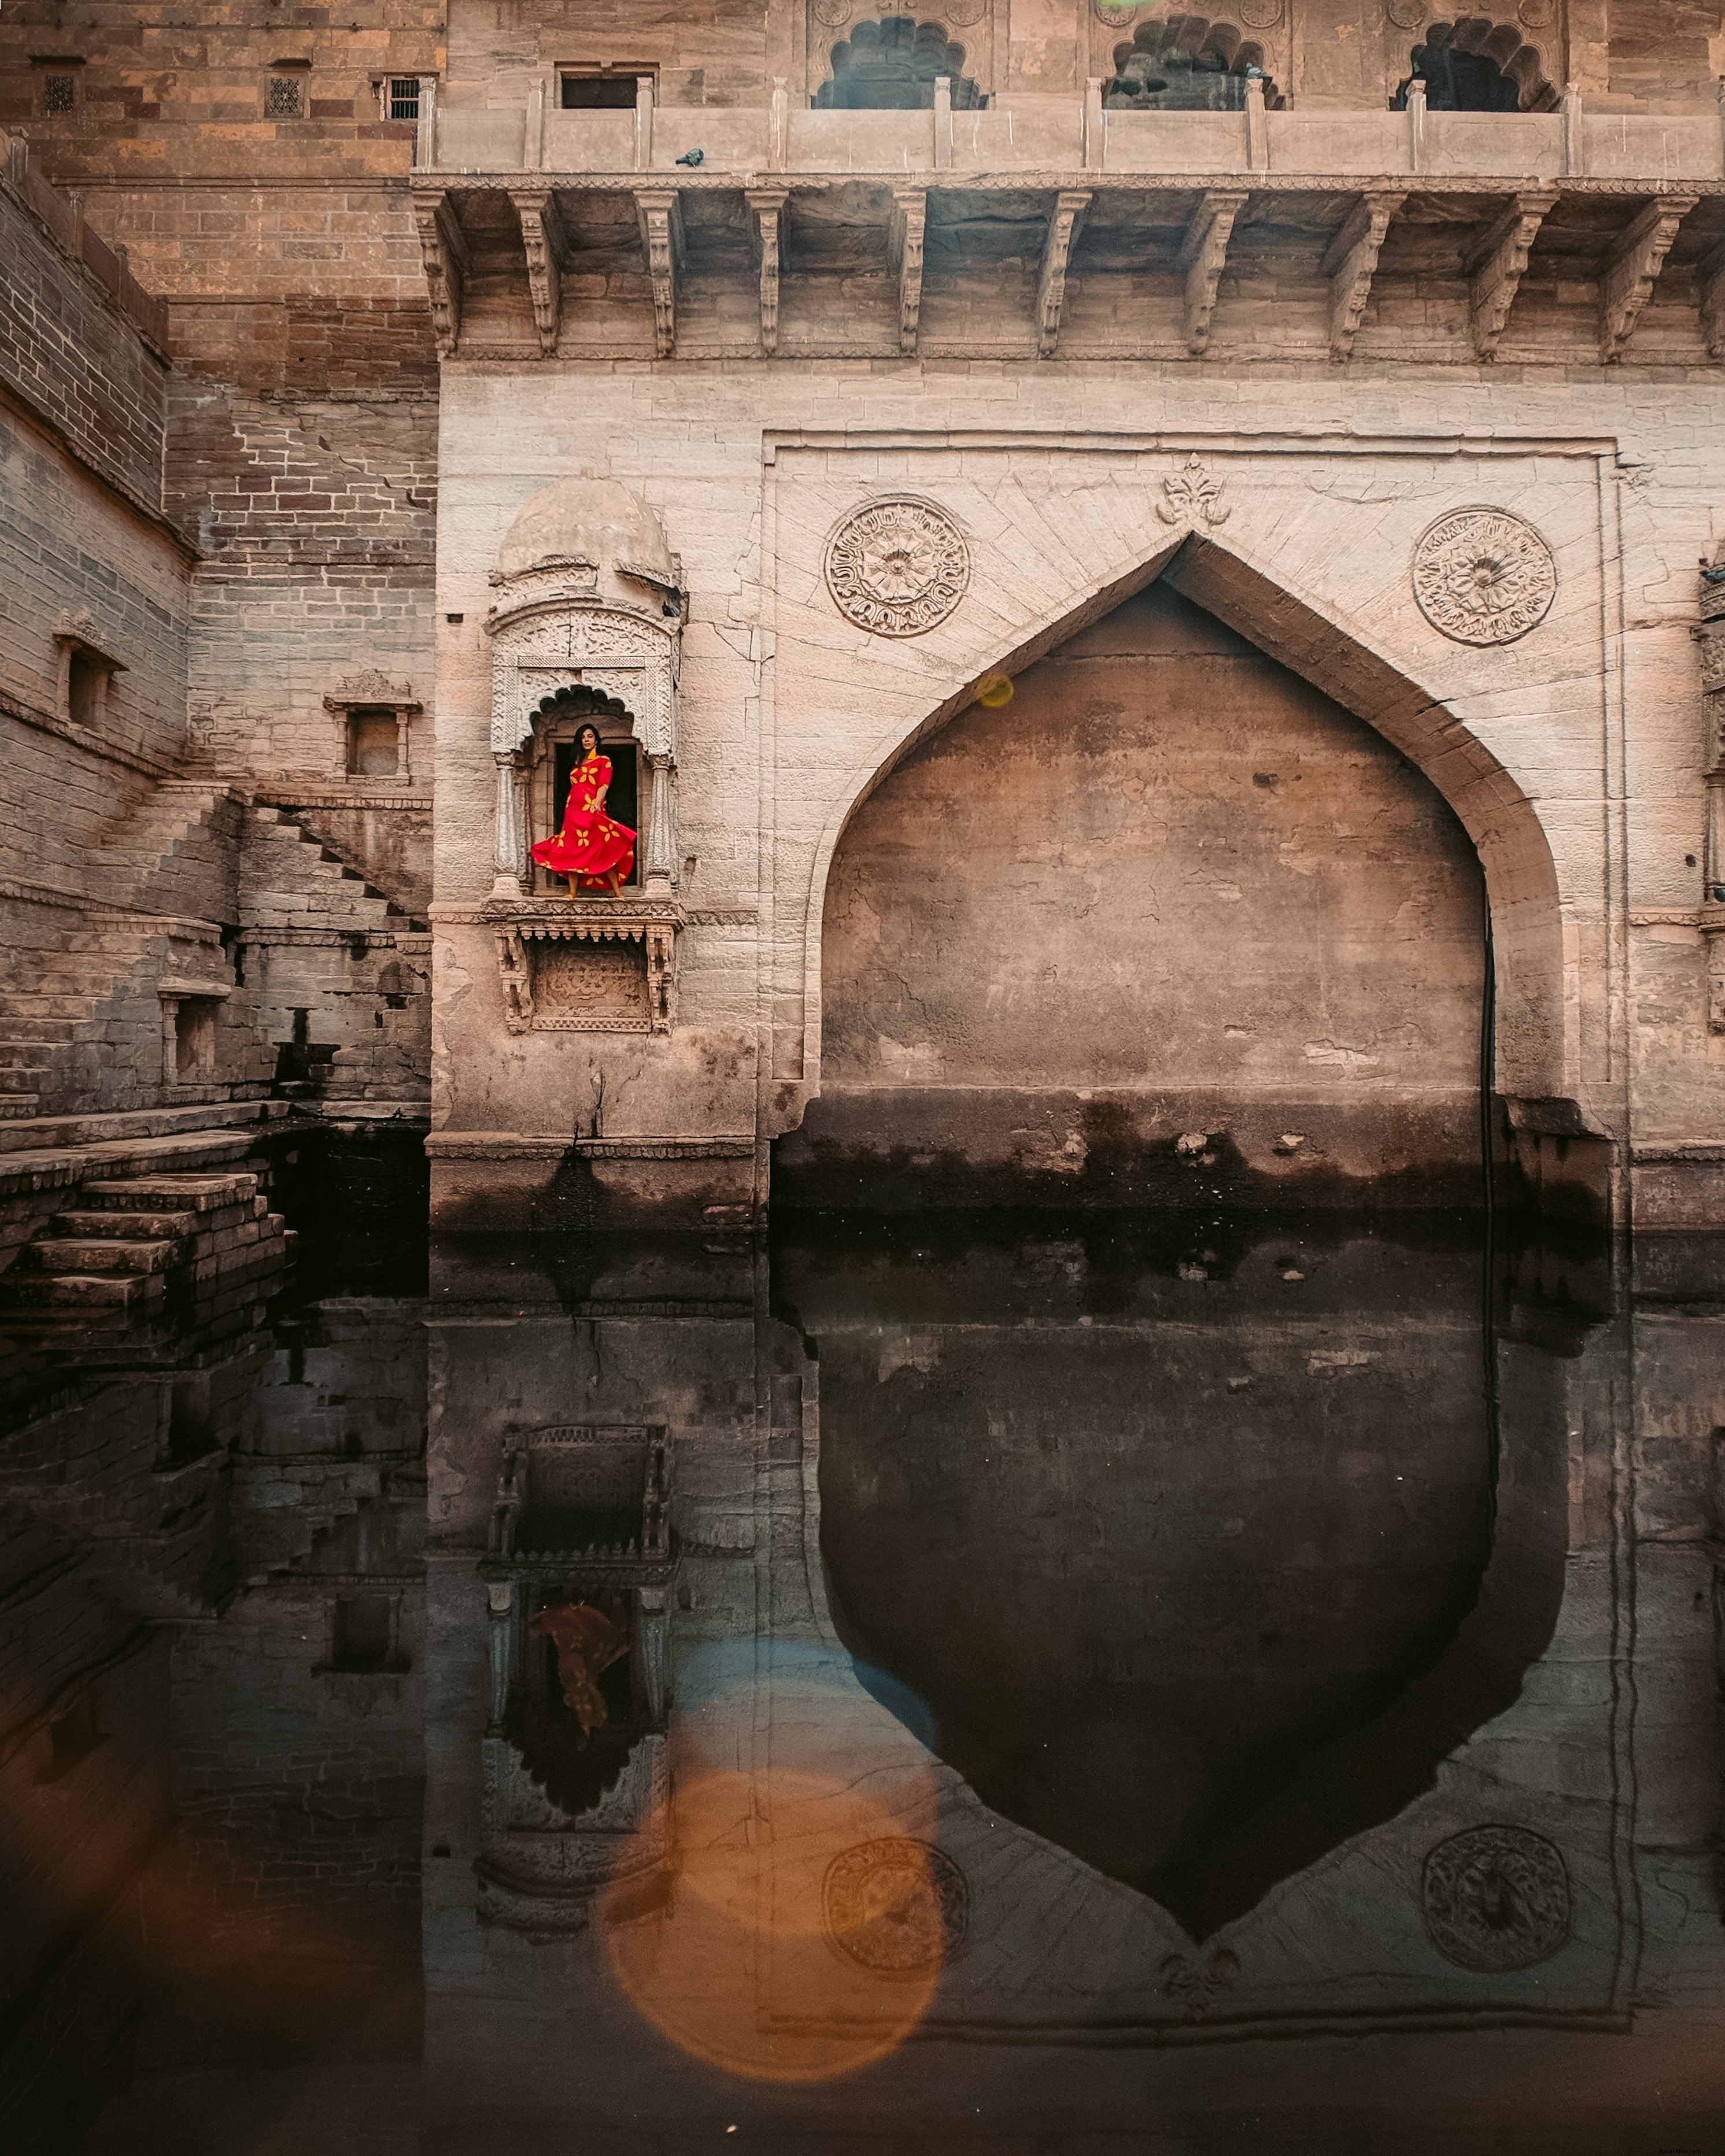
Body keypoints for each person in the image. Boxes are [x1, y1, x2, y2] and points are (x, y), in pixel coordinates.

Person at [530, 720, 636, 896]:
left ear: (596, 740)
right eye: (583, 737)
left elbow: (603, 784)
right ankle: (572, 892)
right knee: (573, 847)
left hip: (592, 808)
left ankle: (618, 893)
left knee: (603, 846)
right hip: (573, 811)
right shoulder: (577, 764)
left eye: (590, 736)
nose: (586, 740)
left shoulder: (603, 761)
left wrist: (596, 803)